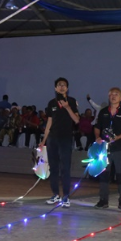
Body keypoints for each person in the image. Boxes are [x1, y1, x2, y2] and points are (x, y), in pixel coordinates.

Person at [41, 77, 80, 207]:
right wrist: (44, 140)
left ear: (67, 88)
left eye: (64, 85)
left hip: (66, 138)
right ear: (55, 88)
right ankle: (55, 194)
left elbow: (76, 120)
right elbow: (49, 122)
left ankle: (66, 196)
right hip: (53, 138)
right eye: (59, 85)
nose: (62, 87)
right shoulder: (51, 103)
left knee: (65, 168)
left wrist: (68, 107)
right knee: (53, 168)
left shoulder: (72, 101)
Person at [93, 87, 121, 210]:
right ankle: (103, 200)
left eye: (116, 94)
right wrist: (97, 137)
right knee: (104, 175)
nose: (113, 96)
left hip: (119, 148)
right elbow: (97, 127)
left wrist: (118, 137)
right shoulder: (103, 112)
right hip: (105, 149)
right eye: (111, 94)